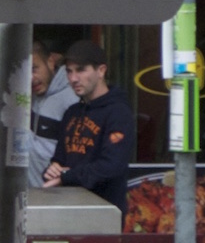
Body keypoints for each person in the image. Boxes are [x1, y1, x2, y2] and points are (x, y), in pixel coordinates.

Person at [40, 40, 135, 211]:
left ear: (101, 71)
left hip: (105, 213)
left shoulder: (119, 113)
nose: (73, 78)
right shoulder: (72, 113)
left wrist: (66, 176)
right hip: (69, 209)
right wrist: (52, 170)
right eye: (69, 71)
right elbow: (59, 159)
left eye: (81, 70)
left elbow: (111, 166)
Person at [13, 34, 76, 193]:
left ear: (50, 62)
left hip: (58, 195)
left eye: (34, 69)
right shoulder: (30, 95)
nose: (30, 78)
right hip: (31, 193)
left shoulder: (72, 99)